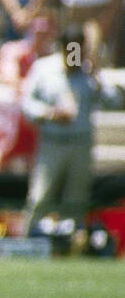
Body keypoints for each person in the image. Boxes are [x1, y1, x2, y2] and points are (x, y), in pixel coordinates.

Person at [23, 25, 118, 235]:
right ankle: (29, 240)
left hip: (80, 144)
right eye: (70, 49)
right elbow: (27, 104)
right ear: (63, 48)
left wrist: (96, 75)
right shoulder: (44, 68)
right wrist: (50, 113)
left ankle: (71, 243)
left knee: (76, 199)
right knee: (40, 196)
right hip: (52, 142)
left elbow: (113, 102)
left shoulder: (89, 73)